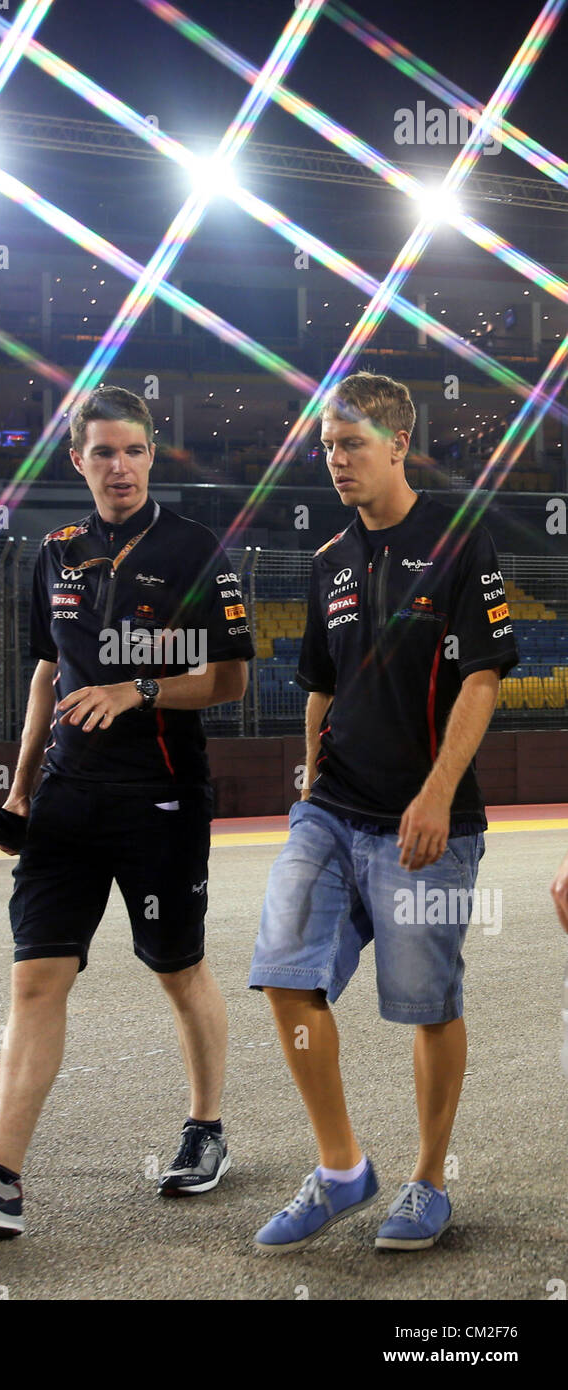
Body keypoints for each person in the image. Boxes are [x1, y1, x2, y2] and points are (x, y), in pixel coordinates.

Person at [0, 385, 254, 1239]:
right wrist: (19, 786)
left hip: (161, 796)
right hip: (65, 798)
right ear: (76, 460)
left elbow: (229, 681)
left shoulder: (199, 549)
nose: (118, 466)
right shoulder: (55, 553)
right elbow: (48, 674)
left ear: (152, 455)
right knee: (35, 976)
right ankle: (0, 1180)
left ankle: (206, 1130)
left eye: (132, 450)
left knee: (176, 969)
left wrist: (139, 690)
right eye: (102, 452)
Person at [249, 372, 518, 1254]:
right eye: (327, 446)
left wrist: (436, 792)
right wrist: (305, 770)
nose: (335, 460)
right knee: (284, 970)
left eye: (352, 444)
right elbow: (319, 686)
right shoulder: (326, 558)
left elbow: (483, 675)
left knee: (424, 1004)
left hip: (426, 824)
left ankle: (427, 1181)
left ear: (399, 444)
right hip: (328, 813)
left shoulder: (458, 540)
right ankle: (339, 1170)